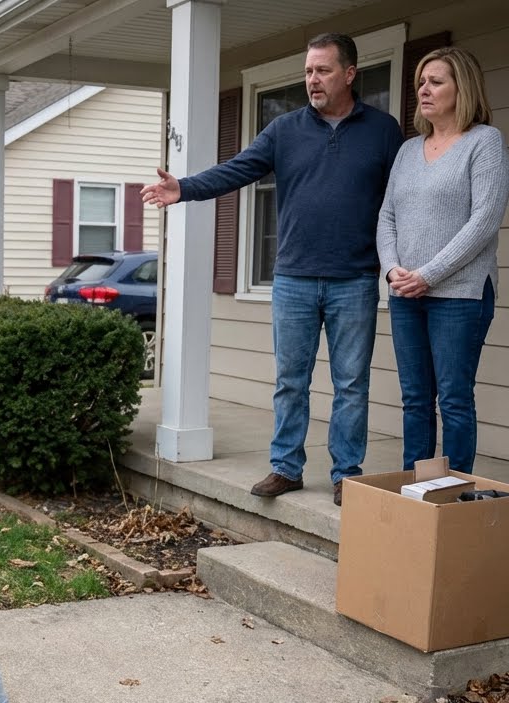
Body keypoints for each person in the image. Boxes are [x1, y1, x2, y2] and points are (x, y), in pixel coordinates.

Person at [142, 33, 402, 506]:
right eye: (308, 71)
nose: (312, 80)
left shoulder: (384, 132)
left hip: (356, 278)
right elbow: (238, 169)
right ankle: (286, 467)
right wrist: (185, 188)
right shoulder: (284, 130)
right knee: (290, 381)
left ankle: (347, 473)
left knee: (351, 383)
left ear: (349, 74)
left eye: (323, 70)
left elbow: (403, 202)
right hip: (294, 279)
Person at [377, 47, 509, 474]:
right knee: (415, 399)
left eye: (436, 81)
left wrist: (428, 275)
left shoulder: (484, 143)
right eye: (421, 82)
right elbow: (387, 216)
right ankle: (416, 489)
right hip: (405, 292)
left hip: (460, 295)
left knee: (453, 398)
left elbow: (483, 222)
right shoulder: (407, 150)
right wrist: (392, 268)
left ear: (462, 88)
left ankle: (454, 494)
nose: (424, 89)